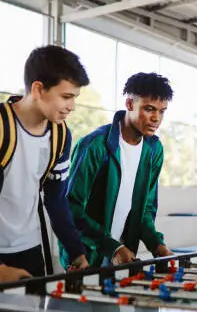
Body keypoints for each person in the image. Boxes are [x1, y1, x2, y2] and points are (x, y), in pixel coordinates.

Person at [0, 45, 90, 288]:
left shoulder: (60, 135)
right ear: (38, 89)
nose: (72, 106)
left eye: (74, 98)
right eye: (66, 96)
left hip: (29, 250)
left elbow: (56, 200)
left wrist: (76, 250)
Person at [61, 72, 174, 268]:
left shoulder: (154, 150)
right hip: (86, 255)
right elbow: (71, 209)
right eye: (149, 109)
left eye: (162, 111)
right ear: (129, 104)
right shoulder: (95, 146)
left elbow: (145, 209)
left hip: (124, 255)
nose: (156, 118)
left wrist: (157, 245)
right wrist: (111, 248)